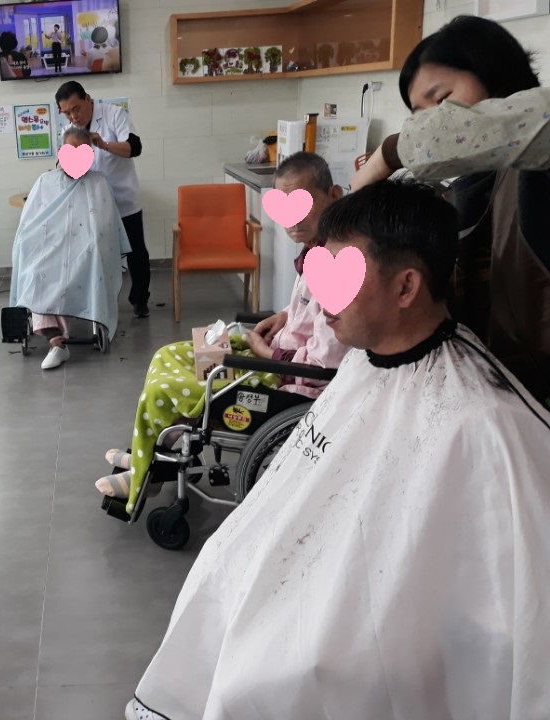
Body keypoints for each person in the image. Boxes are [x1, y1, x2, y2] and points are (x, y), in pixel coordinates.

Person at [125, 181, 550, 720]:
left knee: (263, 673)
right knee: (220, 591)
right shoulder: (362, 364)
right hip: (293, 576)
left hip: (363, 633)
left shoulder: (483, 421)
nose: (322, 298)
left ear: (406, 286)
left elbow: (503, 608)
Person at [97, 153, 348, 510]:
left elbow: (324, 364)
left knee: (168, 388)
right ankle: (149, 453)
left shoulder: (341, 267)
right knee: (169, 354)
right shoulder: (317, 250)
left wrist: (264, 351)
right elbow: (310, 309)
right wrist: (284, 315)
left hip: (287, 379)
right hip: (274, 353)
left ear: (334, 195)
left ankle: (146, 474)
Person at [350, 15, 550, 408]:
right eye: (417, 114)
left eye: (442, 102)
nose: (430, 124)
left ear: (500, 81)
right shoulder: (455, 195)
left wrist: (387, 155)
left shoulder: (538, 172)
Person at [9, 126, 130, 370]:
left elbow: (106, 226)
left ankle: (57, 342)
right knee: (35, 274)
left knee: (80, 263)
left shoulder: (98, 183)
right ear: (61, 152)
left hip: (84, 252)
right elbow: (29, 225)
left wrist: (93, 242)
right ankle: (56, 341)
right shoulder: (45, 182)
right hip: (48, 251)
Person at [55, 81, 150, 317]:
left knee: (136, 252)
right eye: (66, 113)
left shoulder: (114, 114)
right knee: (92, 251)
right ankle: (94, 300)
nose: (73, 117)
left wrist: (103, 145)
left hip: (123, 198)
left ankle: (140, 300)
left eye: (76, 109)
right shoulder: (68, 130)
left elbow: (135, 147)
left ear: (87, 99)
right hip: (91, 204)